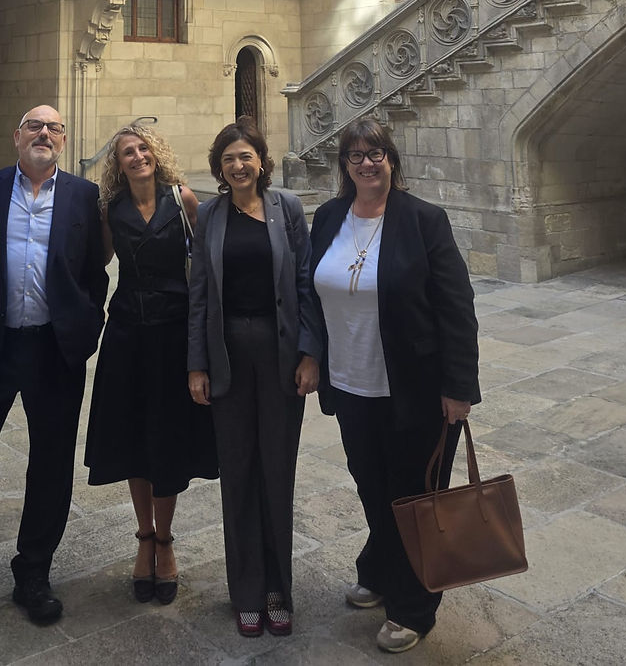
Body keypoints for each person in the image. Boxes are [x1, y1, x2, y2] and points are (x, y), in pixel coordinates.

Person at [0, 105, 107, 648]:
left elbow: (94, 271)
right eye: (34, 126)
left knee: (51, 464)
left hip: (53, 350)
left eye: (54, 128)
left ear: (63, 140)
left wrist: (86, 327)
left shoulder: (83, 196)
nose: (44, 134)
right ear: (16, 137)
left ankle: (33, 572)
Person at [309, 119, 480, 655]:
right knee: (372, 485)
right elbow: (311, 294)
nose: (366, 163)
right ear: (344, 165)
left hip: (416, 388)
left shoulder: (424, 220)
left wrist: (459, 387)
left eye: (376, 153)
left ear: (391, 160)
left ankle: (414, 606)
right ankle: (382, 570)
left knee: (415, 497)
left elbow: (457, 306)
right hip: (350, 383)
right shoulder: (329, 217)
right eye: (356, 155)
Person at [187, 116, 320, 639]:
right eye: (228, 159)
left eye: (246, 156)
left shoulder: (287, 208)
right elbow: (199, 294)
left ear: (261, 161)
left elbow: (305, 283)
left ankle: (277, 590)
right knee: (239, 472)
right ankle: (246, 591)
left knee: (276, 472)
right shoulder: (210, 215)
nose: (238, 166)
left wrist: (310, 353)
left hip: (280, 354)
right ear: (219, 169)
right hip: (228, 357)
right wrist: (196, 363)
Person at [84, 124, 218, 604]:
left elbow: (207, 266)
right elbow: (94, 262)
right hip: (126, 334)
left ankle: (166, 540)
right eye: (128, 152)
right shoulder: (111, 209)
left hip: (172, 334)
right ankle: (144, 538)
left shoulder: (181, 199)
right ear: (118, 163)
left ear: (155, 154)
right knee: (133, 438)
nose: (138, 156)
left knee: (166, 439)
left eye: (143, 148)